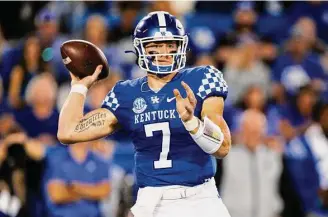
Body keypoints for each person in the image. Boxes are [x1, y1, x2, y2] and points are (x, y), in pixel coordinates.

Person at [57, 11, 232, 217]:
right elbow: (68, 132)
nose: (164, 52)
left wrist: (192, 122)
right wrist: (79, 87)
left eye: (169, 45)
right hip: (150, 201)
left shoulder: (201, 78)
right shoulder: (126, 93)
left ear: (180, 46)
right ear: (141, 49)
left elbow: (222, 147)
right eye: (155, 46)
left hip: (199, 199)